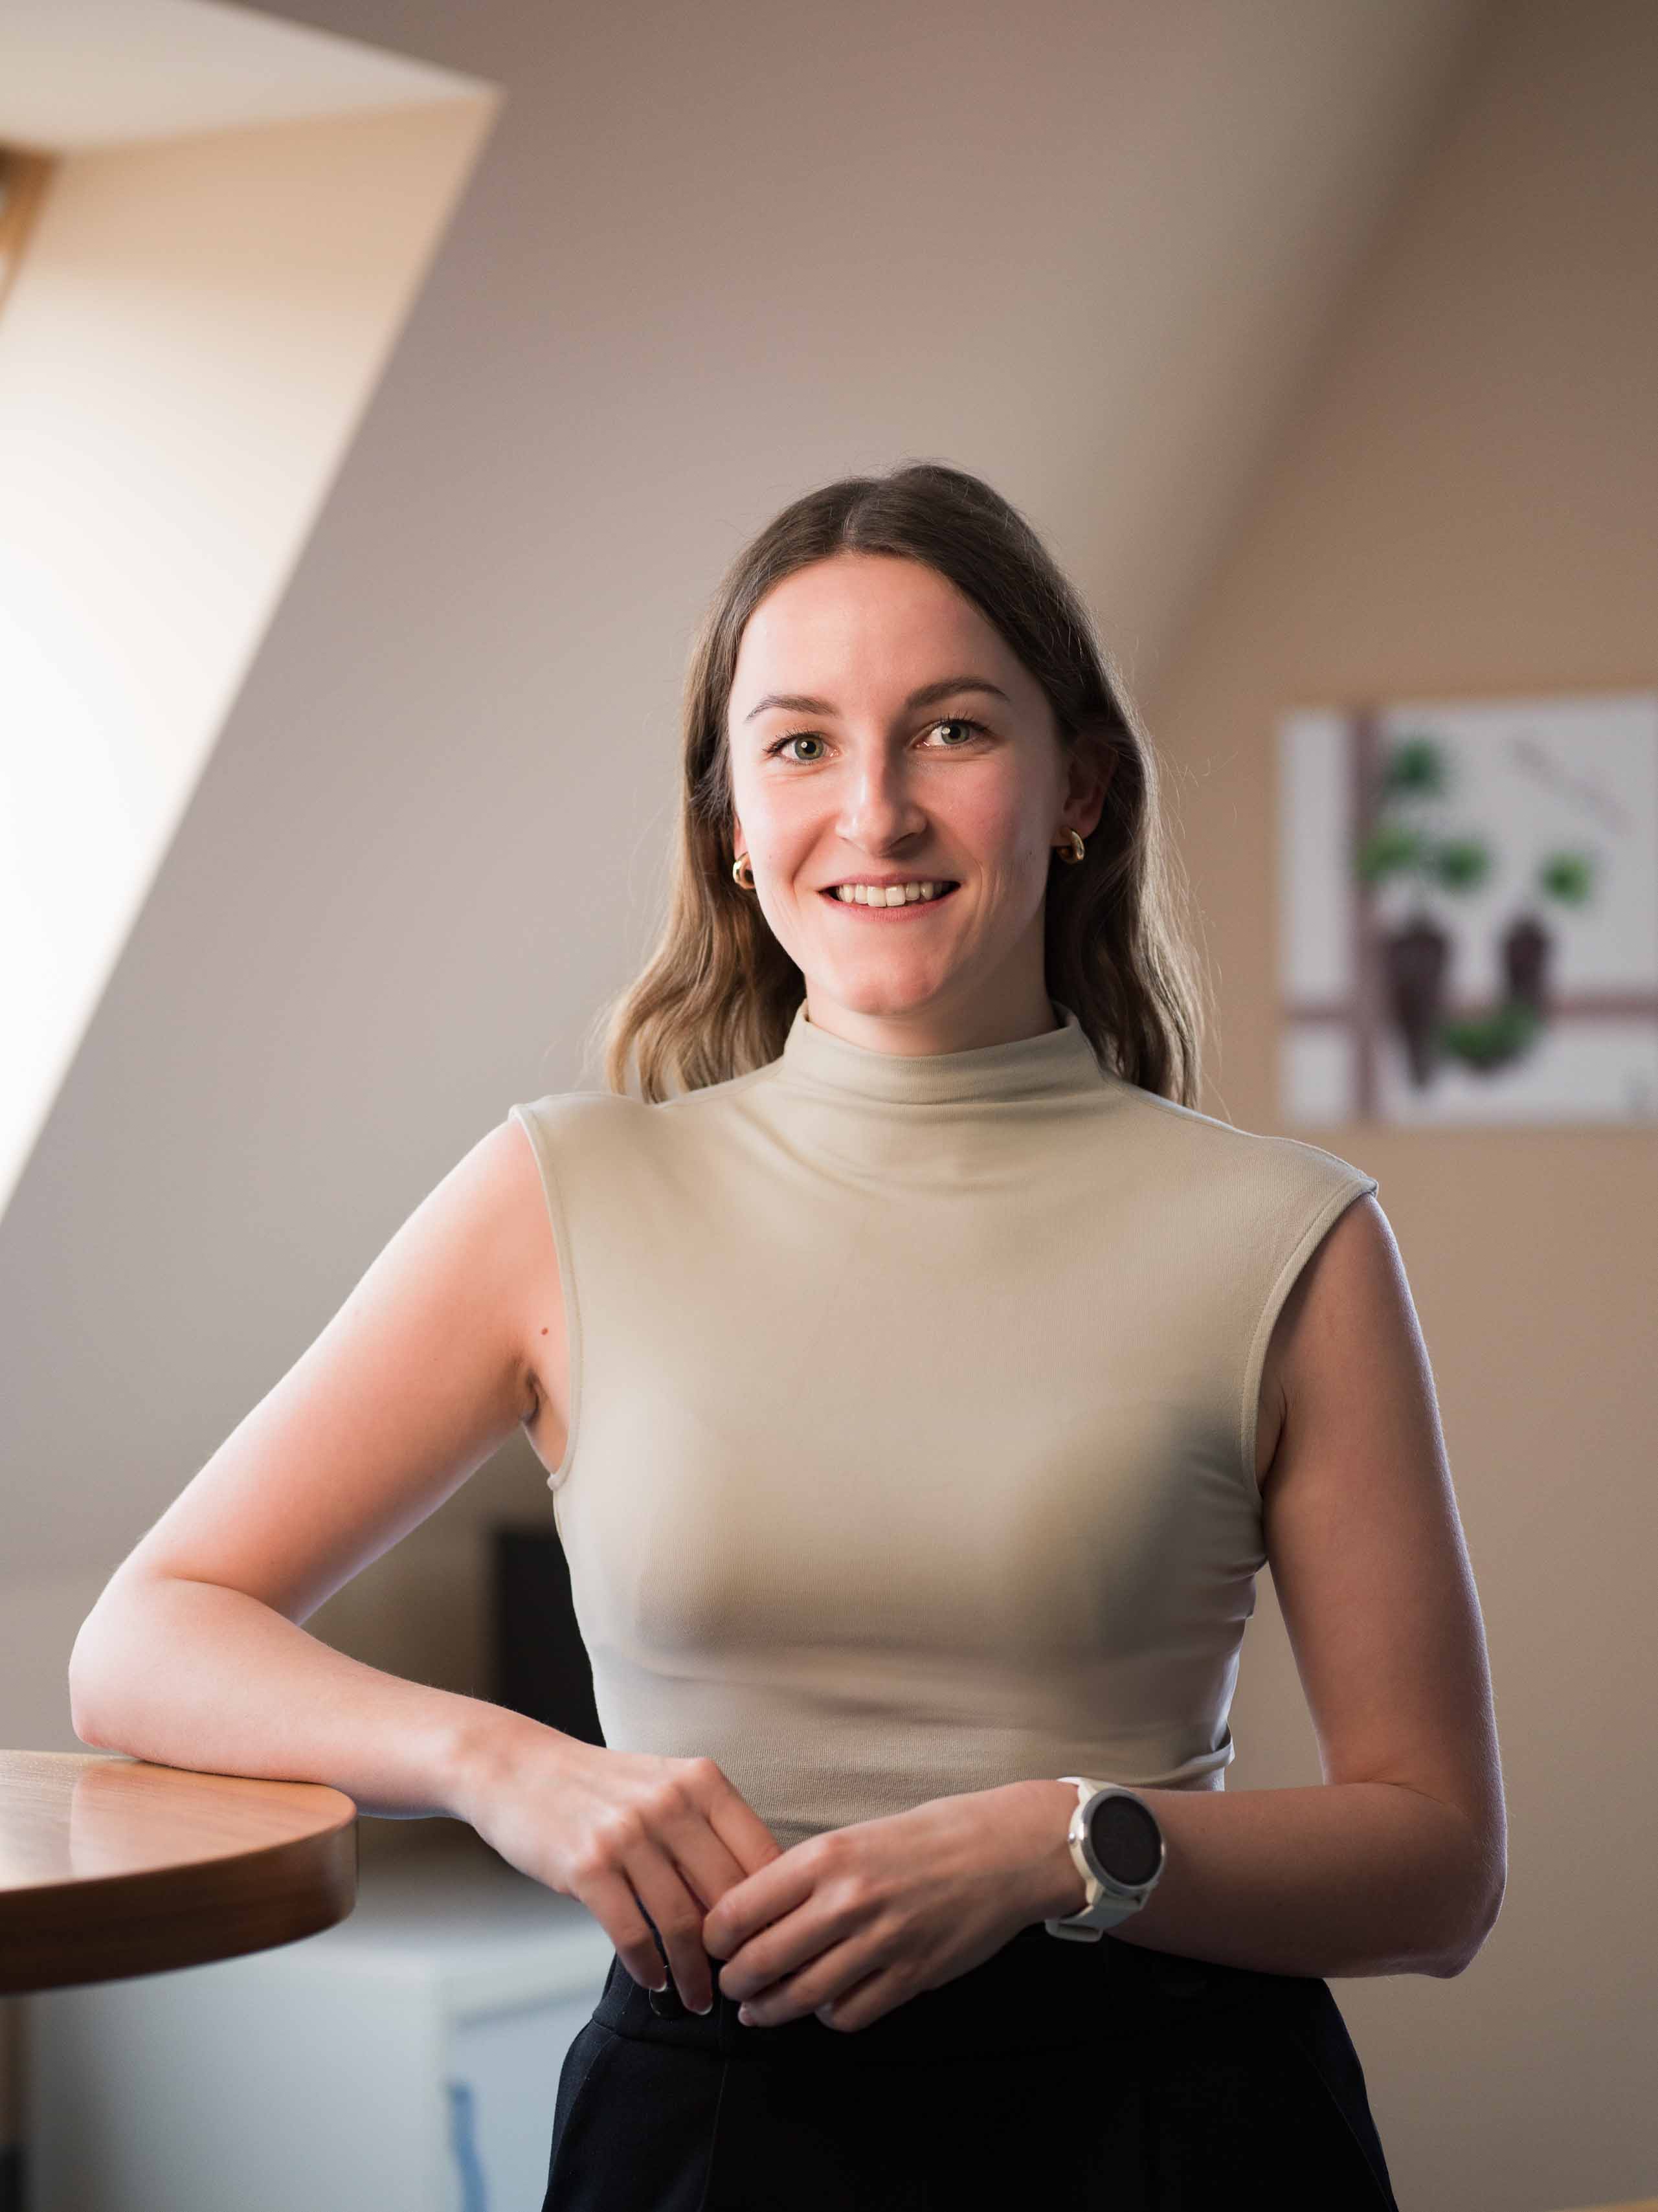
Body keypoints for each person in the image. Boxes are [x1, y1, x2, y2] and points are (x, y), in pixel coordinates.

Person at [69, 462, 1504, 2211]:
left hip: (1173, 2128)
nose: (877, 811)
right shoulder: (558, 1192)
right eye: (802, 744)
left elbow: (1435, 1862)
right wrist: (502, 1765)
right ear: (730, 823)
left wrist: (1060, 1838)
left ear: (1078, 789)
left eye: (953, 730)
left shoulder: (1293, 1238)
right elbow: (144, 1638)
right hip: (711, 2136)